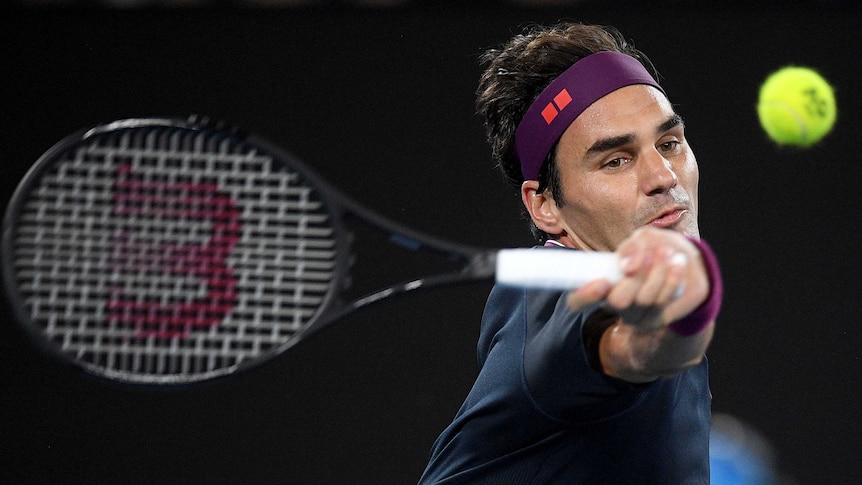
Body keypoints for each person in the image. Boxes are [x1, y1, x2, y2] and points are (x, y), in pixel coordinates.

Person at [419, 22, 723, 484]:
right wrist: (677, 317)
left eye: (669, 143)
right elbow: (631, 346)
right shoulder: (551, 289)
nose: (663, 176)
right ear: (545, 207)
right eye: (615, 160)